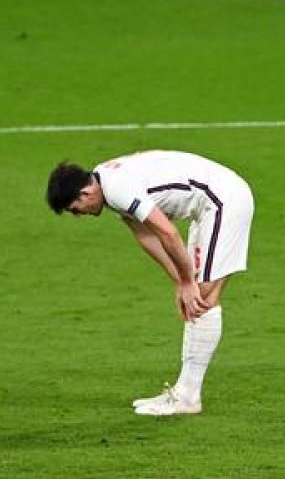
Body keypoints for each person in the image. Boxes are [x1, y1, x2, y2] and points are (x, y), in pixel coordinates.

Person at [45, 150, 255, 416]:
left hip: (224, 201)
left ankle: (188, 397)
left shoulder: (117, 189)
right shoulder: (107, 184)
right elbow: (146, 236)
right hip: (209, 206)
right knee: (194, 298)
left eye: (76, 210)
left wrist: (188, 282)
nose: (80, 215)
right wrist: (180, 281)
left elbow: (167, 231)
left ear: (85, 194)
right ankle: (184, 394)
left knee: (202, 299)